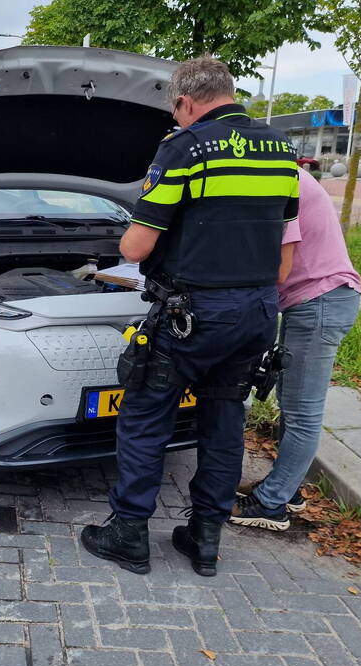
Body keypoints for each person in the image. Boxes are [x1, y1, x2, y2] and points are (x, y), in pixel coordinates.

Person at [81, 56, 299, 577]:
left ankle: (129, 532)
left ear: (184, 101)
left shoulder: (183, 148)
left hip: (192, 314)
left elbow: (135, 247)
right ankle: (203, 537)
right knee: (224, 419)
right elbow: (285, 251)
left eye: (174, 110)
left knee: (144, 416)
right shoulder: (282, 149)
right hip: (256, 312)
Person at [229, 167, 361, 531]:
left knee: (302, 411)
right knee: (292, 403)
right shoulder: (284, 175)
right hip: (317, 300)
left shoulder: (277, 182)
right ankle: (287, 490)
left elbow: (277, 268)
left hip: (320, 301)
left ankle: (271, 505)